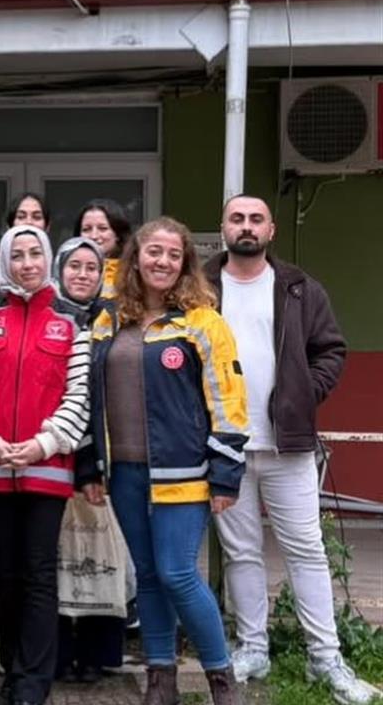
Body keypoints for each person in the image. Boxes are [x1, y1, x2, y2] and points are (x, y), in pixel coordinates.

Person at [205, 196, 378, 704]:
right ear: (223, 228)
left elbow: (331, 350)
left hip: (288, 444)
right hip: (224, 444)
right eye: (237, 218)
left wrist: (305, 393)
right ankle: (252, 648)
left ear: (272, 229)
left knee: (306, 551)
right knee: (241, 552)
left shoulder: (299, 288)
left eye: (256, 219)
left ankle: (327, 658)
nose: (247, 226)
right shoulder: (201, 287)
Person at [79, 217, 248, 705]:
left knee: (177, 572)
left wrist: (225, 474)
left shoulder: (203, 322)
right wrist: (90, 466)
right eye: (154, 252)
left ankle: (221, 678)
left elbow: (229, 401)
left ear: (185, 265)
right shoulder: (109, 320)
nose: (163, 262)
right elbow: (90, 400)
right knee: (148, 574)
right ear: (135, 258)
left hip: (186, 474)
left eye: (174, 255)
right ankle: (160, 679)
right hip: (125, 473)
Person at [0, 225, 91, 705]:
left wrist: (42, 444)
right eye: (18, 254)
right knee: (5, 574)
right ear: (4, 259)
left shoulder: (73, 318)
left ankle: (34, 682)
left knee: (36, 572)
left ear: (47, 258)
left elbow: (80, 395)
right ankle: (12, 671)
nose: (27, 262)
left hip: (46, 468)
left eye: (36, 254)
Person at [49, 237, 126, 684]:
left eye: (91, 268)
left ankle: (98, 655)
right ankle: (56, 654)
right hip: (53, 452)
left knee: (99, 556)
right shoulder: (47, 317)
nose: (82, 274)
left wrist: (93, 462)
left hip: (105, 456)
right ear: (58, 270)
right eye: (73, 266)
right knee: (58, 560)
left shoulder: (116, 320)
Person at [72, 198, 131, 299]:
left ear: (117, 234)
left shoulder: (132, 272)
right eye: (87, 229)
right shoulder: (68, 271)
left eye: (102, 228)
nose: (94, 236)